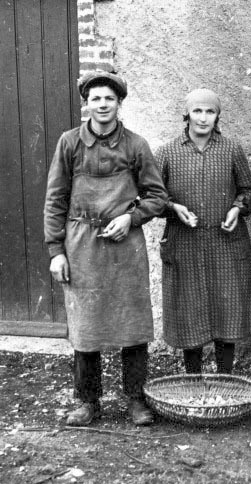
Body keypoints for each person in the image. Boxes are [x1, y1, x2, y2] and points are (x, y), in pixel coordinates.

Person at [44, 71, 168, 426]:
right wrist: (56, 250)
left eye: (109, 99)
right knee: (86, 325)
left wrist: (131, 218)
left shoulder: (135, 145)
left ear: (119, 103)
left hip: (125, 244)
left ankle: (135, 399)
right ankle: (88, 402)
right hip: (81, 242)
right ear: (87, 103)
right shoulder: (69, 143)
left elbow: (157, 196)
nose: (102, 105)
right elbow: (55, 200)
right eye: (96, 98)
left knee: (132, 321)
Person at [155, 88, 251, 375]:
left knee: (227, 309)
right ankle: (194, 379)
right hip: (185, 242)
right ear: (186, 114)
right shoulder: (167, 152)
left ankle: (226, 377)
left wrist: (237, 208)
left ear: (217, 116)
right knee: (191, 310)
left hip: (225, 242)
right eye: (197, 111)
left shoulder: (231, 149)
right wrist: (174, 208)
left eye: (210, 111)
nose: (203, 118)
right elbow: (151, 197)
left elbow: (249, 189)